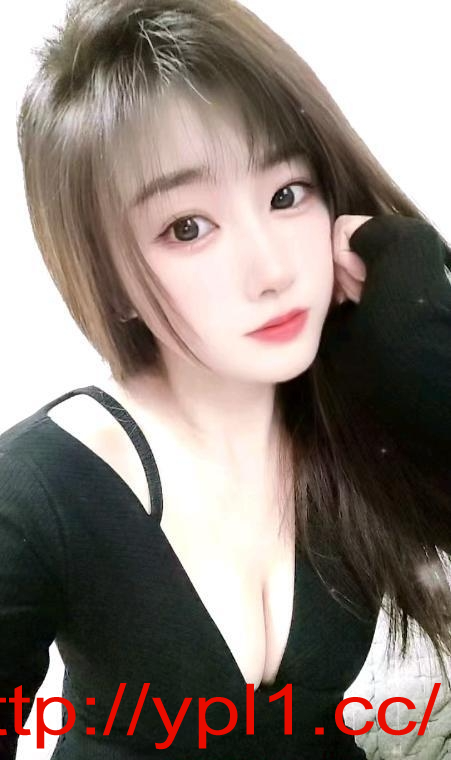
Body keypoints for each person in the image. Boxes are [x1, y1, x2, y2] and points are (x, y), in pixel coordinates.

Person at [1, 0, 450, 757]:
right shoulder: (38, 490)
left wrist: (419, 334)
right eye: (187, 227)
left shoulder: (347, 414)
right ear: (110, 279)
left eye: (286, 194)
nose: (271, 271)